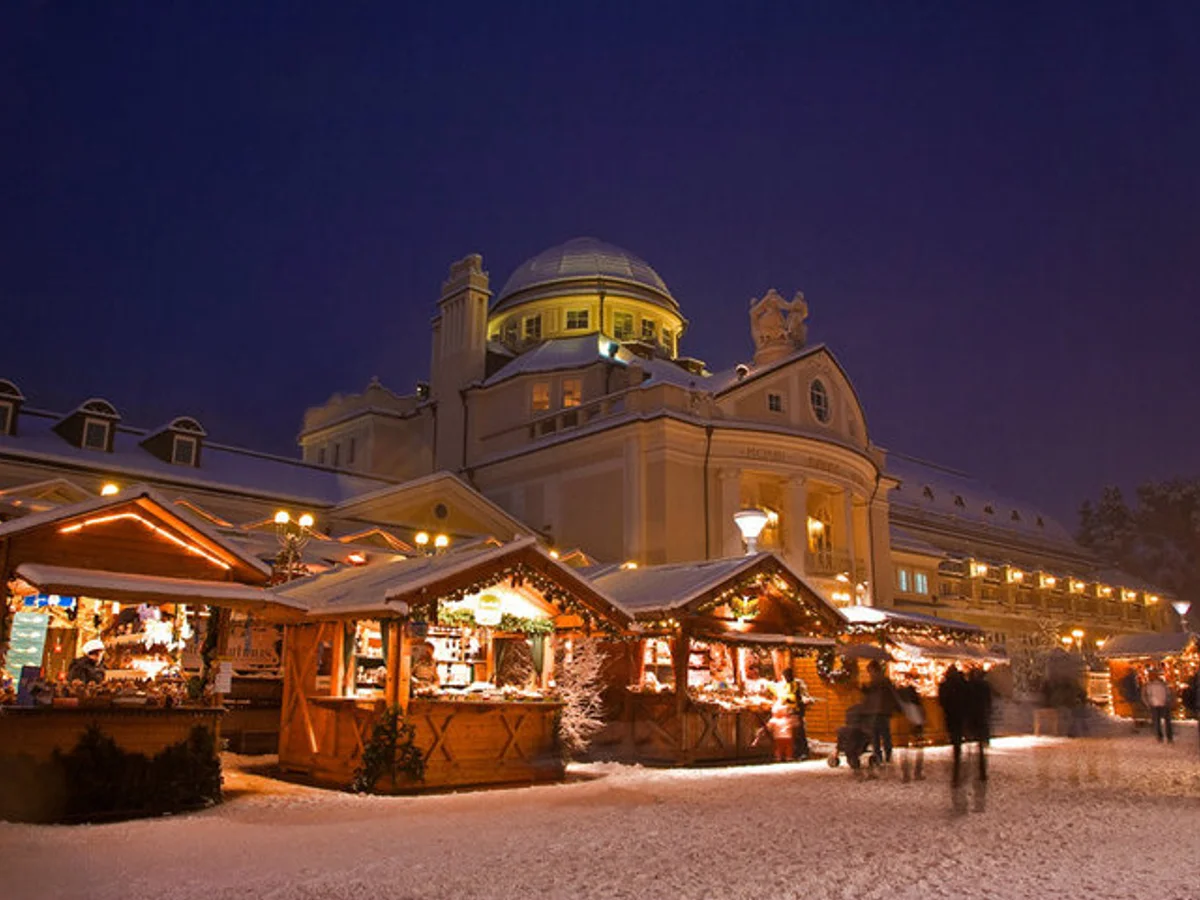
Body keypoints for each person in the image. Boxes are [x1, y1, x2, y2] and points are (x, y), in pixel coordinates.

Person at [862, 659, 898, 765]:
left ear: (874, 670)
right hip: (883, 711)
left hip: (877, 711)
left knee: (876, 735)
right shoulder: (884, 680)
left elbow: (873, 694)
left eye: (870, 671)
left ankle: (879, 755)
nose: (869, 674)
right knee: (884, 734)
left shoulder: (878, 681)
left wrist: (865, 689)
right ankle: (887, 754)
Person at [938, 665, 968, 793]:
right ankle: (958, 766)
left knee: (955, 740)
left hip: (950, 717)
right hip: (960, 716)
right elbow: (968, 699)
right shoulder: (963, 684)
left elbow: (941, 701)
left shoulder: (944, 685)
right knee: (958, 742)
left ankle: (957, 769)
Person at [895, 672, 926, 782]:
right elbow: (920, 707)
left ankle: (906, 774)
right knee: (918, 747)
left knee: (904, 749)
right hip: (916, 721)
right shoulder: (913, 695)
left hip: (904, 723)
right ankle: (917, 772)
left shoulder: (900, 695)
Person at [1141, 670, 1174, 743]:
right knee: (1167, 722)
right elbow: (1168, 693)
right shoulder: (1163, 684)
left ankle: (1160, 737)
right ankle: (1169, 737)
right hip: (1164, 704)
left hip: (1154, 705)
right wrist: (1168, 701)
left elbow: (1145, 696)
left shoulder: (1148, 685)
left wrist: (1148, 704)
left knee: (1157, 722)